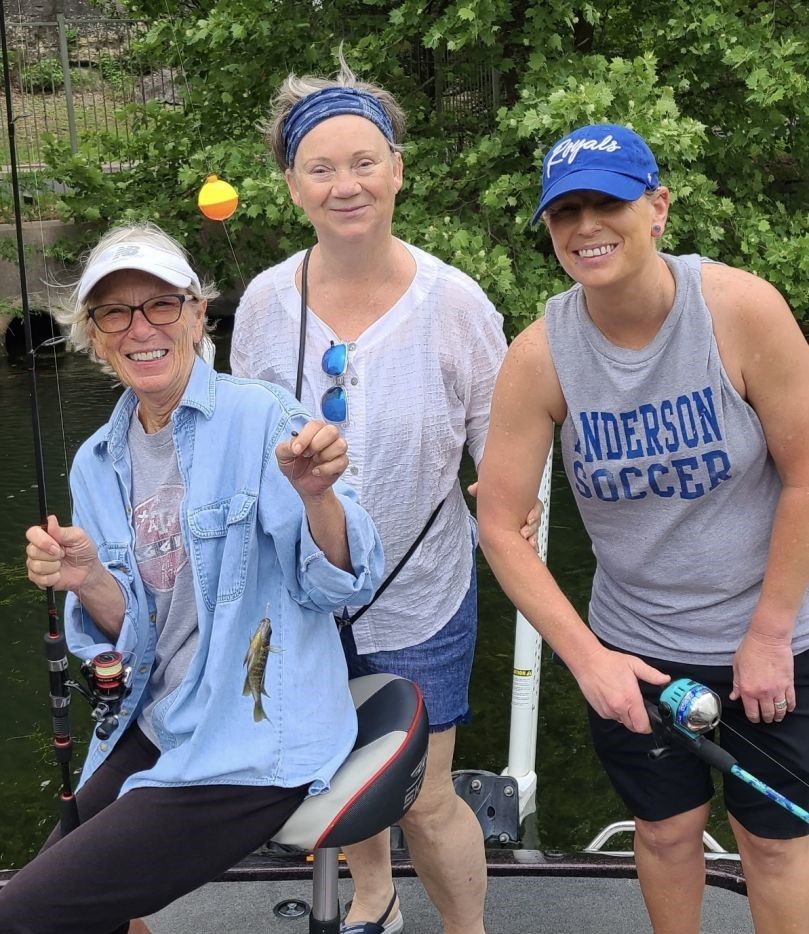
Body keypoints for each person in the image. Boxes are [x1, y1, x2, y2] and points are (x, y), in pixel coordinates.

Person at [0, 222, 383, 934]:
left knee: (22, 915)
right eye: (115, 311)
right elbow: (131, 637)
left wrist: (317, 495)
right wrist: (86, 579)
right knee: (53, 894)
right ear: (95, 333)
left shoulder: (262, 415)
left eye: (161, 305)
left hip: (256, 737)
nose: (140, 327)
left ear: (197, 314)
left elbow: (344, 586)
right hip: (160, 722)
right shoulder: (95, 461)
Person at [230, 55, 539, 934]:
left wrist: (508, 497)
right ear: (291, 185)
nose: (345, 185)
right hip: (298, 590)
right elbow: (243, 447)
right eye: (321, 169)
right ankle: (376, 897)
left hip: (418, 594)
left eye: (364, 162)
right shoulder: (260, 305)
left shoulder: (457, 305)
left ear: (398, 167)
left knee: (423, 793)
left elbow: (503, 445)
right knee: (336, 770)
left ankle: (465, 929)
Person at [477, 122, 809, 933]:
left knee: (771, 844)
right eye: (565, 213)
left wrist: (767, 635)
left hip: (769, 637)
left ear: (656, 207)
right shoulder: (540, 354)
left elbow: (804, 474)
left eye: (608, 203)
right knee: (662, 836)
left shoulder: (739, 310)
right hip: (634, 648)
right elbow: (495, 524)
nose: (585, 227)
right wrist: (587, 660)